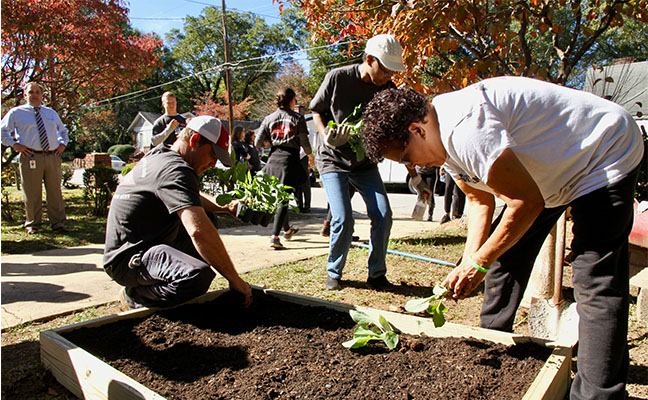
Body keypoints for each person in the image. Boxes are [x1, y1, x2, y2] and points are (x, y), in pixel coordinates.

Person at [361, 77, 644, 400]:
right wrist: (472, 262)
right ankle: (491, 339)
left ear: (417, 130)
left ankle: (598, 394)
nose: (412, 166)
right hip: (545, 177)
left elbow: (526, 203)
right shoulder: (441, 140)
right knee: (504, 258)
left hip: (601, 151)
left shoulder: (466, 129)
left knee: (596, 280)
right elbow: (480, 201)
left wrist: (480, 260)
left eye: (405, 157)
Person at [103, 115, 252, 309]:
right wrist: (234, 279)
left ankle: (156, 287)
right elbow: (198, 231)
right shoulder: (175, 169)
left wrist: (225, 207)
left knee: (207, 217)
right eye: (213, 155)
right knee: (196, 275)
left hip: (145, 245)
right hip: (129, 257)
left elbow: (189, 196)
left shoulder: (161, 156)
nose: (213, 164)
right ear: (195, 140)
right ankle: (136, 297)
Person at [309, 34, 408, 291]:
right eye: (385, 69)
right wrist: (326, 136)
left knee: (383, 215)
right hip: (332, 159)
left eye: (392, 71)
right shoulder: (338, 77)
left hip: (364, 163)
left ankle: (376, 274)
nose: (389, 76)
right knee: (343, 218)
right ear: (370, 60)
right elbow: (316, 110)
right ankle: (334, 271)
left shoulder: (389, 90)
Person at [1, 82, 68, 234]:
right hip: (30, 156)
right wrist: (14, 145)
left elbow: (63, 131)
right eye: (31, 92)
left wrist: (62, 144)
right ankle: (33, 224)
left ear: (42, 95)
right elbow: (2, 132)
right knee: (31, 192)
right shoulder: (16, 113)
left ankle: (58, 223)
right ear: (25, 95)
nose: (34, 95)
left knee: (55, 192)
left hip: (52, 156)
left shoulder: (50, 113)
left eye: (37, 92)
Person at [255, 88, 314, 249]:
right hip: (289, 160)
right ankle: (274, 237)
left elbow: (258, 143)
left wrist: (271, 141)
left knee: (281, 196)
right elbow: (305, 142)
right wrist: (311, 157)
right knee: (284, 198)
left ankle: (287, 230)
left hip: (273, 159)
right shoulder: (298, 118)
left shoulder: (268, 118)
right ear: (292, 100)